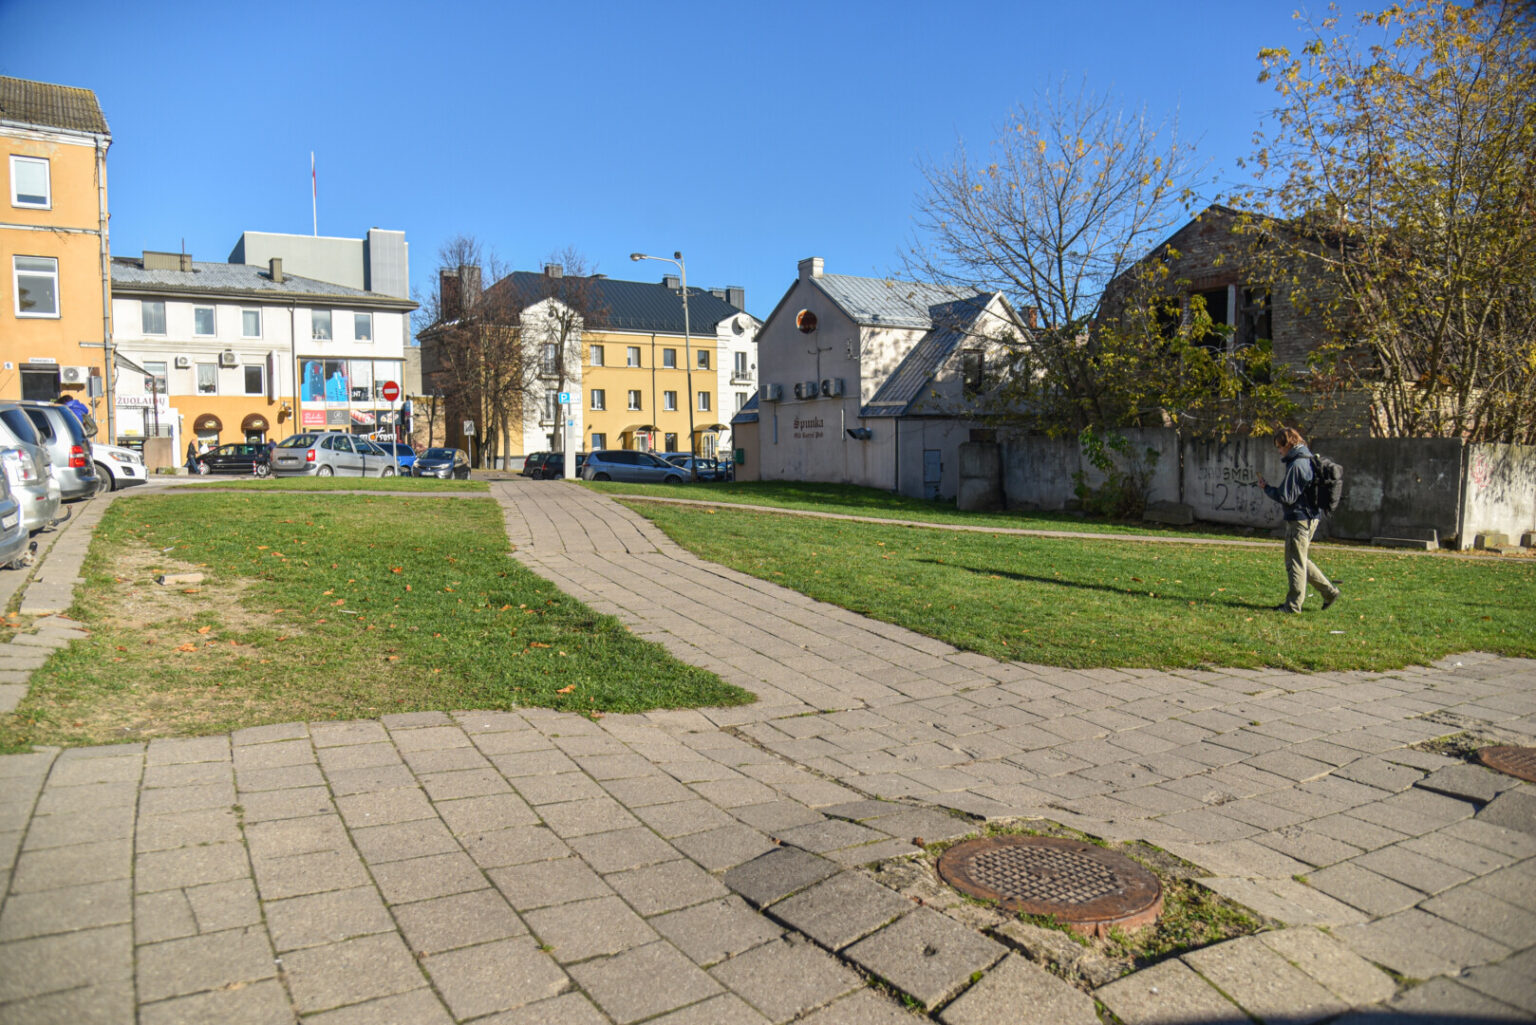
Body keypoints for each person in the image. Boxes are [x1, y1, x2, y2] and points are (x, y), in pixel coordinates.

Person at [1257, 427, 1340, 613]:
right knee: (1299, 559)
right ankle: (1329, 592)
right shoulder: (1308, 458)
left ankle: (1293, 605)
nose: (1279, 451)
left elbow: (1286, 496)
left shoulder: (1297, 465)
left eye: (1280, 446)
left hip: (1300, 518)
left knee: (1295, 563)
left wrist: (1268, 489)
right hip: (1310, 516)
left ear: (1289, 444)